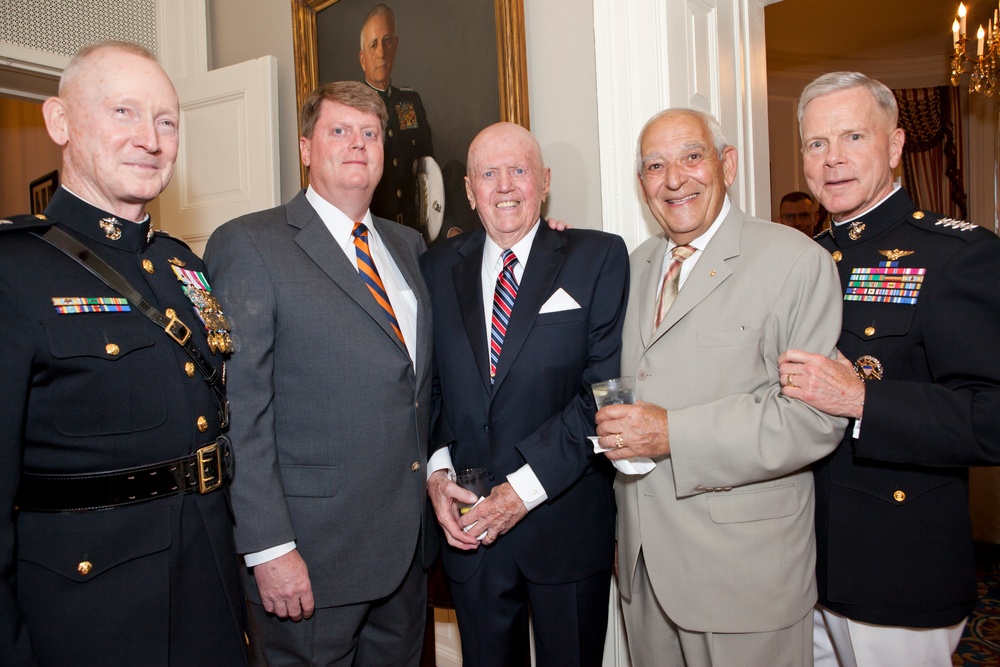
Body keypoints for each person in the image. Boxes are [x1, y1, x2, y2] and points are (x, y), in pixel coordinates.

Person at [0, 41, 248, 666]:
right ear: (59, 122)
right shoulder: (13, 271)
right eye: (124, 113)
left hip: (209, 588)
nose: (151, 138)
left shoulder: (179, 265)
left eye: (167, 121)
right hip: (89, 614)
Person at [594, 108, 847, 667]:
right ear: (642, 184)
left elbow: (811, 419)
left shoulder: (794, 261)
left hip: (745, 579)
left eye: (692, 156)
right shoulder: (631, 268)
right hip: (645, 576)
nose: (674, 179)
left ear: (727, 164)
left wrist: (671, 434)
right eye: (655, 165)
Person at [204, 81, 434, 666]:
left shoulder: (409, 247)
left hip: (405, 556)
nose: (357, 144)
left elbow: (418, 389)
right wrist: (268, 548)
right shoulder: (250, 244)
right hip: (309, 558)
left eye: (370, 133)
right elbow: (239, 410)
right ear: (306, 148)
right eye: (339, 131)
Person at [777, 71, 1000, 666]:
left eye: (853, 137)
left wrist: (863, 400)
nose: (833, 160)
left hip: (898, 567)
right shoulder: (801, 260)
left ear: (896, 147)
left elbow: (992, 418)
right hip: (799, 564)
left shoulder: (956, 254)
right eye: (816, 144)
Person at [421, 122, 629, 666]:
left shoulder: (598, 258)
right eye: (488, 173)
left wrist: (521, 491)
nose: (505, 185)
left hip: (565, 522)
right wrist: (439, 473)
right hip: (471, 531)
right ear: (468, 190)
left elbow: (603, 394)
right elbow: (429, 387)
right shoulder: (437, 268)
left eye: (520, 170)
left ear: (545, 181)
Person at [359, 3, 434, 232]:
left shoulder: (410, 101)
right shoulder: (354, 109)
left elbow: (428, 167)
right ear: (363, 59)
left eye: (387, 40)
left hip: (414, 231)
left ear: (396, 46)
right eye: (373, 45)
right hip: (376, 232)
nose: (381, 52)